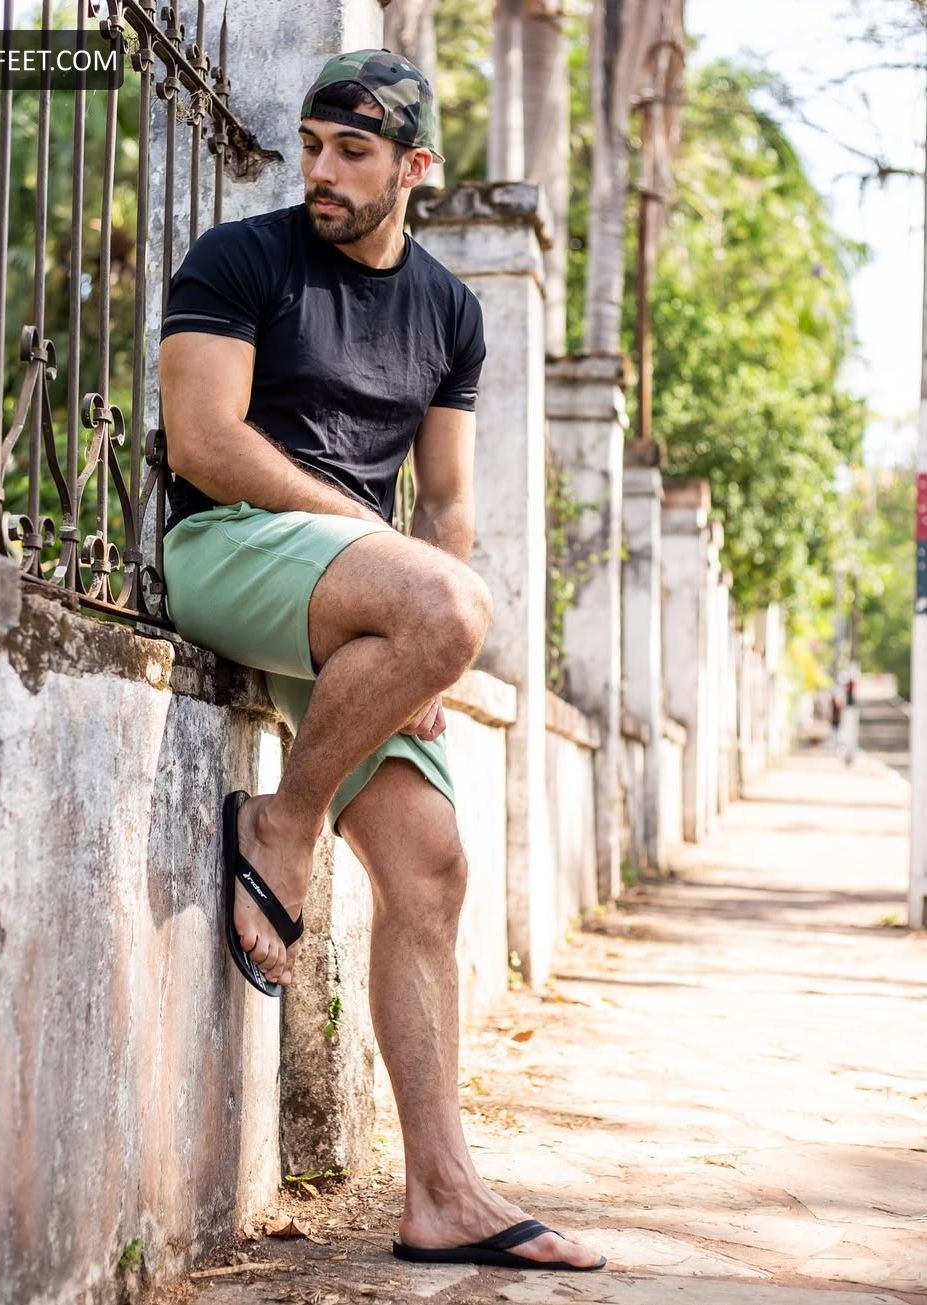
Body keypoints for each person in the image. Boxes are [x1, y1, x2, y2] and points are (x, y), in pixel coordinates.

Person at [158, 49, 606, 1275]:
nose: (321, 171)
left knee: (432, 869)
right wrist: (413, 591)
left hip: (361, 603)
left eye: (352, 153)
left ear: (414, 168)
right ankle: (283, 825)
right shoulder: (237, 259)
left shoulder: (450, 310)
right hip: (230, 551)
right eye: (312, 146)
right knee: (447, 604)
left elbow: (449, 501)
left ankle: (441, 1194)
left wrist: (424, 648)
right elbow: (201, 442)